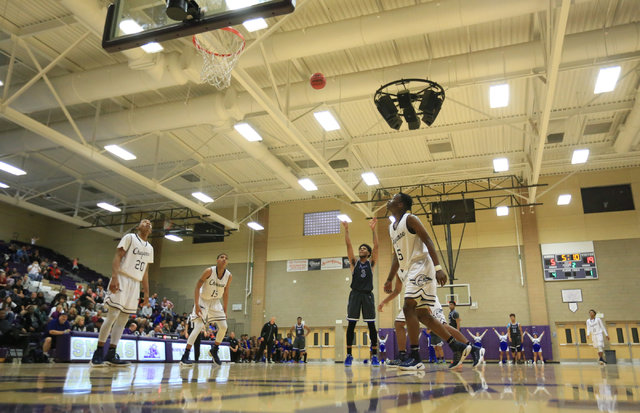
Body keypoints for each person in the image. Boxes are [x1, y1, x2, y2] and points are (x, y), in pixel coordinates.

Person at [385, 193, 473, 370]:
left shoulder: (410, 219)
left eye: (393, 198)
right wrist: (388, 278)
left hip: (422, 264)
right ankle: (459, 346)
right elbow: (397, 257)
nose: (389, 199)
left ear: (401, 204)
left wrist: (439, 267)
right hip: (411, 268)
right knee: (422, 315)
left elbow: (428, 239)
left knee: (408, 307)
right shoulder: (391, 228)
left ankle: (416, 357)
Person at [90, 219, 153, 367]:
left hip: (135, 283)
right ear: (138, 226)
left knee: (123, 320)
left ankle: (111, 353)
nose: (147, 223)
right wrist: (115, 277)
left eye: (150, 223)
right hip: (122, 278)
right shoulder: (130, 237)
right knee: (112, 315)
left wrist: (146, 293)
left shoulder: (150, 248)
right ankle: (98, 352)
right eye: (144, 222)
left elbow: (145, 272)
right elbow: (117, 257)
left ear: (151, 230)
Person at [180, 253, 231, 367]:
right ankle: (185, 356)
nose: (224, 259)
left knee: (224, 327)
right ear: (217, 260)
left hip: (216, 302)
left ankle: (214, 349)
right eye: (222, 257)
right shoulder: (209, 271)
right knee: (198, 327)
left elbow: (226, 292)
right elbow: (198, 286)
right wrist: (196, 304)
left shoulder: (229, 276)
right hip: (203, 300)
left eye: (226, 258)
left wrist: (225, 309)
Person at [343, 218, 380, 367]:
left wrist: (373, 230)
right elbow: (348, 245)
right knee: (351, 324)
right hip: (355, 295)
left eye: (365, 248)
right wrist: (346, 230)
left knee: (371, 326)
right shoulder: (354, 263)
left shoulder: (371, 264)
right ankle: (349, 355)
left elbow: (377, 246)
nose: (362, 249)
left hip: (367, 296)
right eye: (361, 248)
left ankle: (375, 356)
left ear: (369, 253)